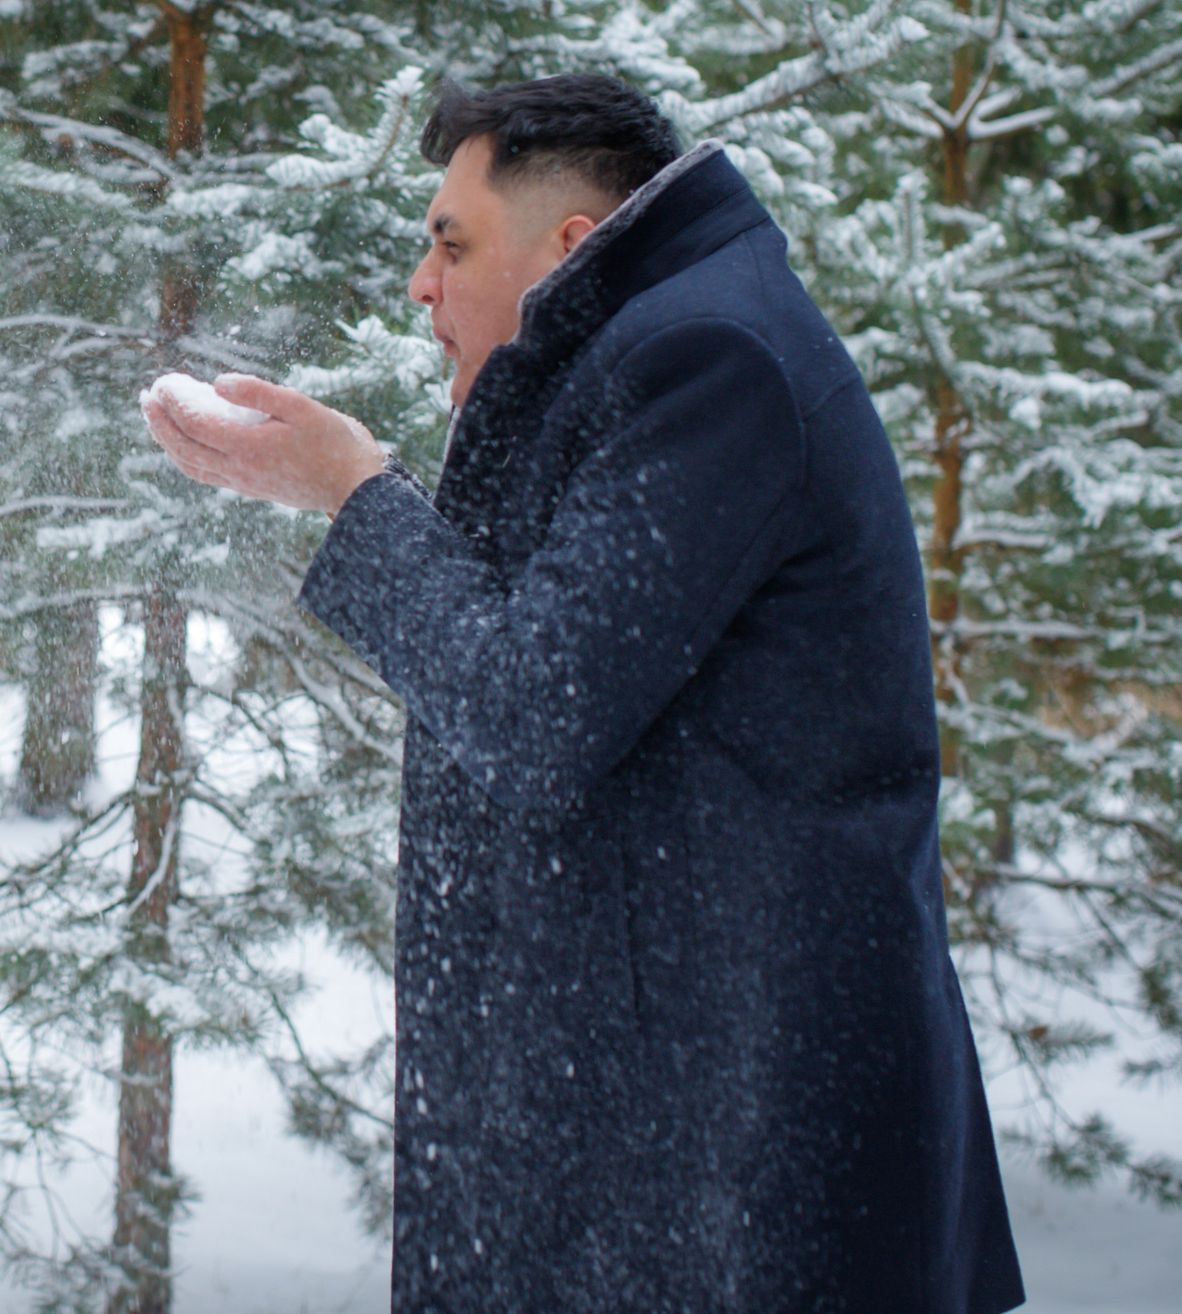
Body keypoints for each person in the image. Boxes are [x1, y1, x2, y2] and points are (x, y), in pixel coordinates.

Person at [143, 76, 1024, 1313]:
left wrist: (352, 493)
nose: (419, 282)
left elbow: (531, 710)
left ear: (572, 246)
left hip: (742, 1143)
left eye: (451, 244)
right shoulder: (659, 347)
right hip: (677, 1119)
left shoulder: (710, 362)